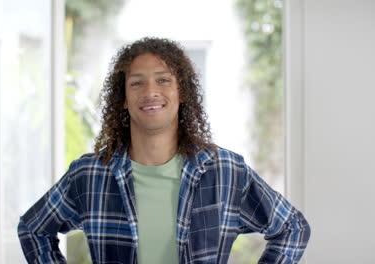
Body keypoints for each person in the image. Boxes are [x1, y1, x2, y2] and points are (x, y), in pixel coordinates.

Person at [18, 37, 311, 264]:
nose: (150, 92)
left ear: (181, 92)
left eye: (163, 80)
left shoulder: (226, 171)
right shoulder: (89, 174)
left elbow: (293, 227)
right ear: (123, 98)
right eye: (136, 83)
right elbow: (33, 229)